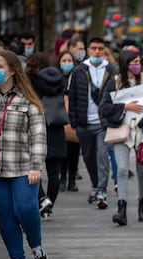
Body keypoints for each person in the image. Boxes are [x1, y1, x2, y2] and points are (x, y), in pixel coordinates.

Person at [0, 50, 48, 259]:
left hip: (23, 167)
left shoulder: (29, 102)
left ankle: (36, 244)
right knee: (4, 213)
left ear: (13, 71)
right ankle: (16, 258)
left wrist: (36, 165)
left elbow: (38, 136)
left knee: (25, 207)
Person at [99, 49, 143, 225]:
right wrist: (124, 107)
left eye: (138, 62)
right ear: (124, 64)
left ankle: (142, 206)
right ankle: (122, 208)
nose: (137, 65)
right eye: (133, 62)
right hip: (122, 129)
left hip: (141, 130)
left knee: (142, 169)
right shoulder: (115, 82)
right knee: (121, 169)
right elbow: (104, 107)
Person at [68, 37, 115, 209]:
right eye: (94, 48)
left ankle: (101, 189)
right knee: (88, 157)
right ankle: (95, 185)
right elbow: (72, 96)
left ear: (104, 50)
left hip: (104, 123)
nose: (97, 51)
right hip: (84, 123)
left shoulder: (111, 70)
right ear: (88, 50)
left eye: (100, 48)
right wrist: (74, 121)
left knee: (102, 156)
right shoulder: (79, 70)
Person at [26, 52, 67, 221]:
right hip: (57, 129)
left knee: (33, 168)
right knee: (54, 172)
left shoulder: (31, 81)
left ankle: (42, 199)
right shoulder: (59, 79)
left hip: (38, 127)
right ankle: (49, 205)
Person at [57, 50, 80, 193]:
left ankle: (72, 179)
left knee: (74, 151)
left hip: (74, 119)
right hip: (60, 120)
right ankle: (63, 179)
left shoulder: (77, 77)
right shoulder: (56, 79)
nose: (67, 64)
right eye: (64, 61)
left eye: (69, 61)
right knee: (63, 152)